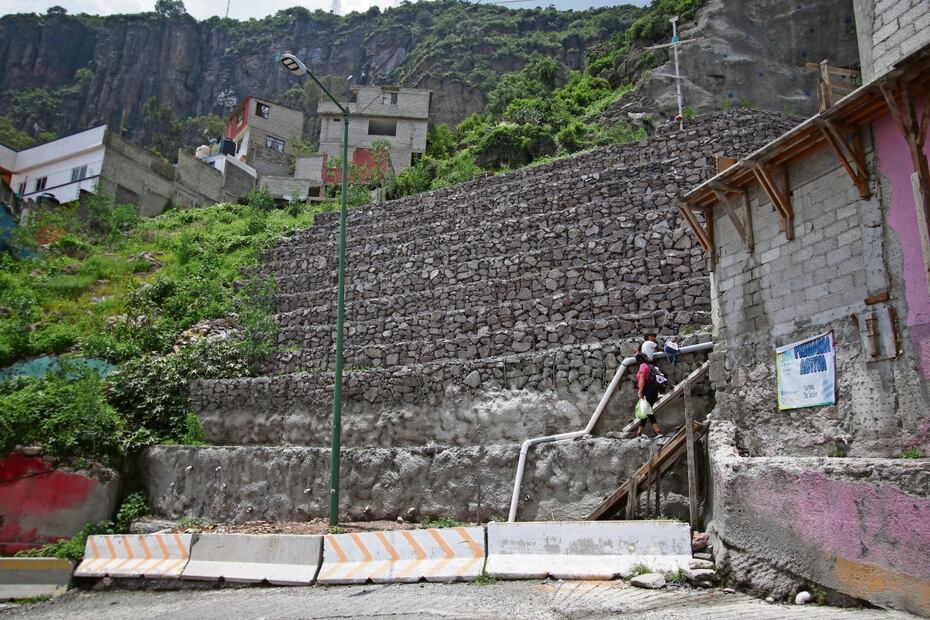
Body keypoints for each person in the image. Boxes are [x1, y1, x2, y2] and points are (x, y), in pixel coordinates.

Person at [634, 340, 664, 438]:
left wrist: (640, 391)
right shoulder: (649, 366)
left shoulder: (642, 366)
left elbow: (642, 379)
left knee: (647, 411)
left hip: (648, 391)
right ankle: (639, 433)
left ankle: (658, 432)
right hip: (653, 391)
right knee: (647, 411)